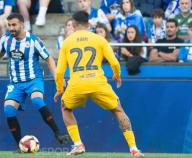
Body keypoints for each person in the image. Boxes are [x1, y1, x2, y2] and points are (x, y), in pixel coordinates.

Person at [54, 11, 144, 157]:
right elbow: (114, 62)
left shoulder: (67, 43)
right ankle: (133, 148)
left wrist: (59, 89)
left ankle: (78, 144)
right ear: (89, 24)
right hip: (97, 82)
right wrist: (117, 75)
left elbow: (59, 72)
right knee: (118, 110)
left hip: (77, 83)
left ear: (74, 25)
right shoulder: (99, 39)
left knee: (65, 108)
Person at [0, 13, 69, 149]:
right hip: (16, 83)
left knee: (37, 101)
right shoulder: (5, 40)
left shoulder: (33, 41)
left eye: (14, 25)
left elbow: (49, 59)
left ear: (22, 24)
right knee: (8, 110)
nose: (11, 28)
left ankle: (57, 132)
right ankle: (21, 145)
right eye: (9, 25)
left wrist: (57, 77)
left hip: (33, 79)